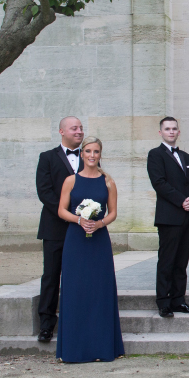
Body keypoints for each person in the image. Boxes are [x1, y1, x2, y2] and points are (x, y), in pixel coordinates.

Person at [55, 136, 125, 363]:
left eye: (96, 151)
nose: (92, 155)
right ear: (82, 154)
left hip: (99, 240)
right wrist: (78, 220)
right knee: (76, 290)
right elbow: (61, 211)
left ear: (100, 154)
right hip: (75, 240)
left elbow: (113, 212)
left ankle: (101, 347)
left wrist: (99, 223)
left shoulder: (108, 182)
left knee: (99, 291)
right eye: (88, 151)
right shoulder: (70, 181)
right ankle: (75, 348)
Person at [34, 116, 84, 343]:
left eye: (81, 128)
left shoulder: (89, 157)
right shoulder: (47, 158)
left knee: (80, 276)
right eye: (74, 128)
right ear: (61, 131)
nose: (79, 131)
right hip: (55, 227)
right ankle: (46, 324)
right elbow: (44, 192)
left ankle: (78, 321)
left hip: (84, 228)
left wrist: (86, 215)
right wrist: (68, 214)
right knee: (52, 276)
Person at [146, 117, 189, 318]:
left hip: (187, 217)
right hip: (169, 217)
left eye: (174, 128)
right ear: (160, 132)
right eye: (167, 129)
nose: (171, 131)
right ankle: (164, 302)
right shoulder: (155, 155)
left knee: (182, 262)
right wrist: (182, 200)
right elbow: (159, 183)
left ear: (178, 132)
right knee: (167, 260)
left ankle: (179, 300)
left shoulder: (185, 156)